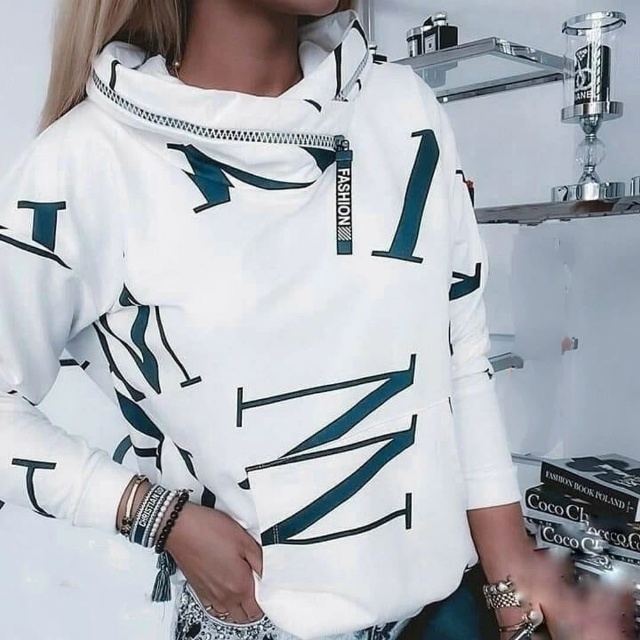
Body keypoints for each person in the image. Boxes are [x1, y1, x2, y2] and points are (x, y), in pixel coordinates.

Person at [0, 1, 633, 639]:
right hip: (260, 623)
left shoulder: (401, 109)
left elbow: (459, 352)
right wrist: (155, 516)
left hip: (446, 615)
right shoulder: (84, 165)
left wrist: (512, 579)